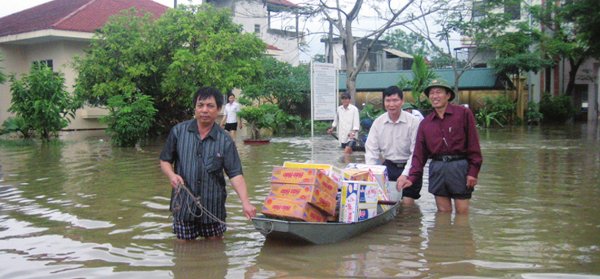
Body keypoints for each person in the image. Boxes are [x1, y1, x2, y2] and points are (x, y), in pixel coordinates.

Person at [160, 87, 256, 240]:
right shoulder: (178, 132)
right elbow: (165, 160)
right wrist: (171, 175)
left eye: (210, 106)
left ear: (218, 109)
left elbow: (235, 173)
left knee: (215, 249)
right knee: (183, 251)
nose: (204, 110)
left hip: (213, 207)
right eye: (200, 105)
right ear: (195, 108)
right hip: (184, 205)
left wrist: (246, 203)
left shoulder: (225, 140)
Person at [397, 79, 483, 214]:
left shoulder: (463, 114)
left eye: (438, 92)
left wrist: (473, 172)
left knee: (462, 212)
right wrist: (411, 178)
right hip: (437, 167)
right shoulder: (425, 123)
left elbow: (474, 146)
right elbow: (419, 155)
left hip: (459, 166)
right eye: (431, 93)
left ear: (448, 95)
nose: (434, 96)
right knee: (443, 213)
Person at [364, 86, 422, 206]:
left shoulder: (413, 122)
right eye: (388, 101)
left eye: (395, 100)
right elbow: (371, 150)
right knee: (385, 203)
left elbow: (416, 152)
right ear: (384, 102)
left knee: (407, 206)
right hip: (389, 166)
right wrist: (371, 173)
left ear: (402, 101)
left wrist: (405, 174)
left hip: (411, 167)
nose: (391, 104)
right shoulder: (378, 123)